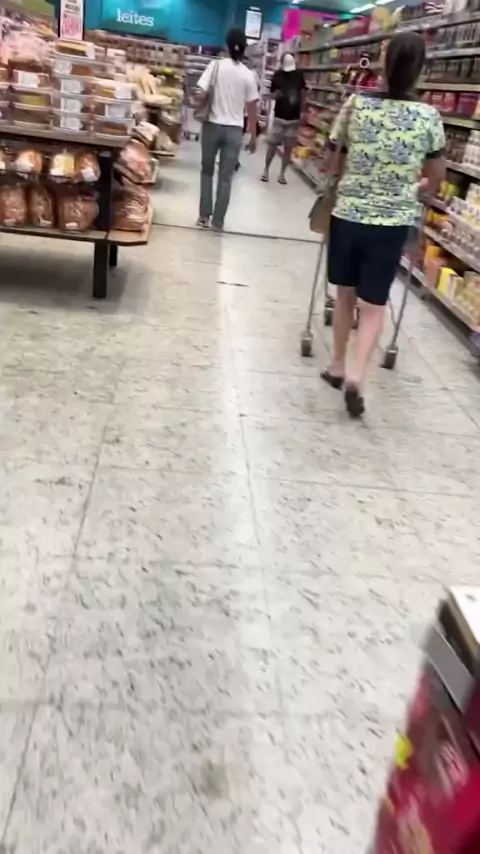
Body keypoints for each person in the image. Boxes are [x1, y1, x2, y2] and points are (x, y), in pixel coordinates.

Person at [320, 31, 446, 418]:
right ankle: (357, 377)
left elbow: (332, 160)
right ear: (420, 70)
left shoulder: (356, 104)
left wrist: (350, 174)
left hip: (349, 215)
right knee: (374, 305)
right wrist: (413, 186)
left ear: (383, 64)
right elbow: (435, 178)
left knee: (345, 294)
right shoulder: (428, 117)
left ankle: (336, 365)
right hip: (391, 222)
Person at [196, 27, 258, 231]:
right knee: (226, 177)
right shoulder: (249, 75)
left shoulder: (215, 66)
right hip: (234, 131)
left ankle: (204, 216)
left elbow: (202, 93)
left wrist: (197, 106)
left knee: (207, 172)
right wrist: (253, 135)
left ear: (227, 45)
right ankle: (218, 221)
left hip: (212, 126)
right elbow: (252, 107)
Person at [261, 52, 305, 184]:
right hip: (279, 116)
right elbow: (273, 94)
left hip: (294, 118)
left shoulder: (299, 74)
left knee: (288, 148)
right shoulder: (277, 75)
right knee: (272, 145)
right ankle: (266, 170)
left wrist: (303, 111)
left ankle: (282, 174)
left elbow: (303, 93)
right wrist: (276, 95)